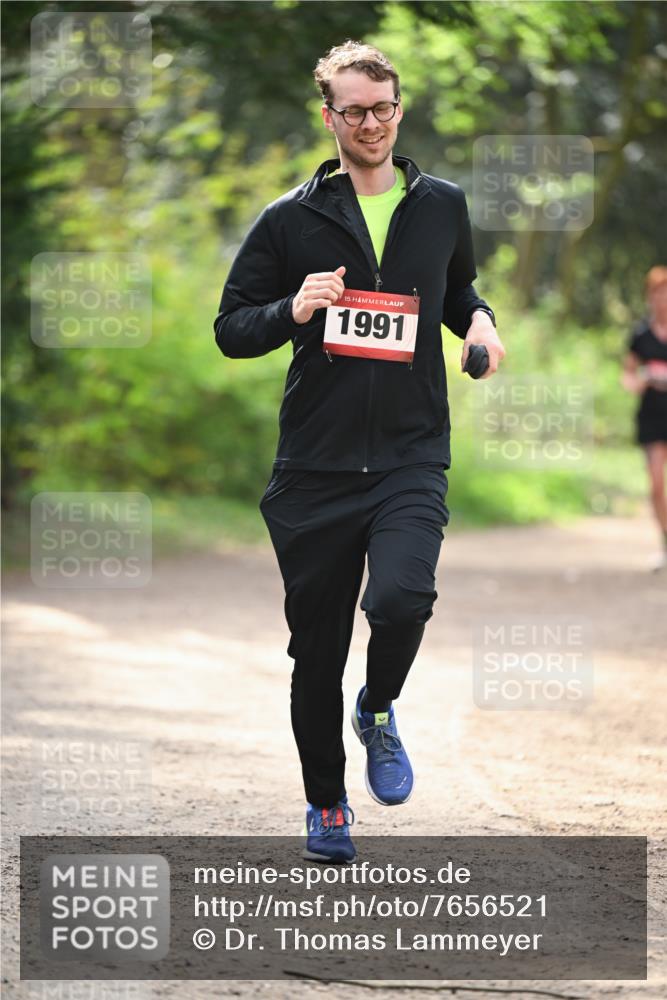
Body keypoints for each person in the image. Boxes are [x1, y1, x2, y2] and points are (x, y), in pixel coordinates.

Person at [213, 40, 505, 862]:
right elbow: (231, 329)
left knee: (402, 599)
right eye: (353, 111)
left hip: (412, 453)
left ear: (398, 109)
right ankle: (327, 803)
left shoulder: (440, 204)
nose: (370, 123)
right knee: (316, 655)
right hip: (313, 468)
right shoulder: (290, 218)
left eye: (382, 109)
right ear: (328, 116)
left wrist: (478, 323)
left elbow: (456, 291)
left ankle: (377, 706)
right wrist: (293, 310)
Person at [622, 266, 667, 571]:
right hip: (651, 415)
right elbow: (628, 372)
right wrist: (638, 381)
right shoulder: (640, 334)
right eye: (658, 294)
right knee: (655, 482)